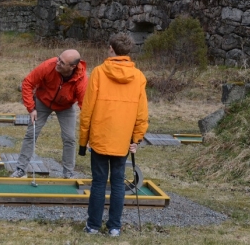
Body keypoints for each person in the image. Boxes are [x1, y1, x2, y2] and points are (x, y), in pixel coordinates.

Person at [78, 33, 148, 237]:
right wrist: (136, 139)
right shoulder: (139, 77)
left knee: (99, 182)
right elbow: (142, 114)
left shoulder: (99, 72)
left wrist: (83, 141)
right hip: (123, 140)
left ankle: (92, 226)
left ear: (111, 49)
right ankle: (114, 227)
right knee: (118, 182)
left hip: (100, 137)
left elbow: (87, 110)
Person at [10, 49, 87, 179]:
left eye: (62, 63)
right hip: (42, 101)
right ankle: (20, 169)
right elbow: (28, 83)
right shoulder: (49, 65)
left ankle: (68, 173)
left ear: (72, 67)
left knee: (70, 138)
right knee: (31, 133)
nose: (57, 63)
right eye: (58, 58)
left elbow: (85, 106)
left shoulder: (82, 81)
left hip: (66, 107)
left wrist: (88, 131)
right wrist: (31, 108)